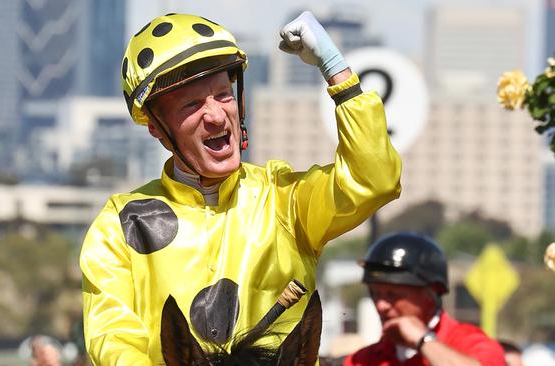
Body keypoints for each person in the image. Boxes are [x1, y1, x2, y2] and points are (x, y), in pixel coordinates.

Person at [80, 10, 402, 365]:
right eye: (192, 104)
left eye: (223, 94)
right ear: (156, 127)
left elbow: (375, 180)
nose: (217, 115)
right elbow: (113, 339)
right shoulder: (119, 225)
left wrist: (336, 70)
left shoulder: (283, 198)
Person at [343, 232, 505, 366]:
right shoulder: (362, 361)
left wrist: (423, 340)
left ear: (431, 293)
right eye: (375, 294)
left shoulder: (472, 343)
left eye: (393, 295)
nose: (381, 305)